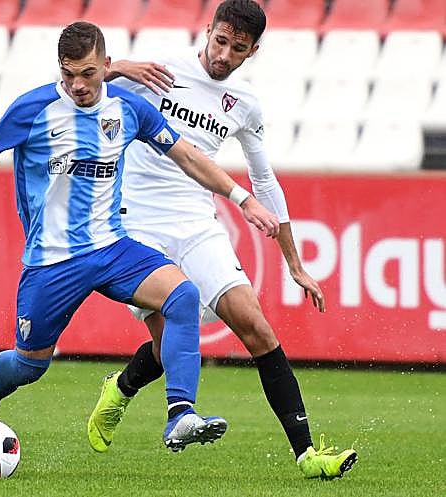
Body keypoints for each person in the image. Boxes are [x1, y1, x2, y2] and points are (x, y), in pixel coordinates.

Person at [0, 21, 280, 452]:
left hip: (111, 247)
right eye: (68, 74)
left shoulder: (128, 108)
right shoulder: (34, 108)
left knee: (182, 297)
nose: (78, 85)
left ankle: (180, 414)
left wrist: (241, 198)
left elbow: (188, 157)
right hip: (52, 261)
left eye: (87, 73)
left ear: (106, 66)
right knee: (29, 366)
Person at [86, 0, 358, 478]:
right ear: (207, 29)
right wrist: (119, 67)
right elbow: (79, 85)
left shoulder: (245, 103)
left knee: (257, 327)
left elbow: (265, 181)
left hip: (197, 221)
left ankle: (307, 455)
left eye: (238, 48)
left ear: (253, 51)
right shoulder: (158, 69)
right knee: (171, 341)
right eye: (220, 41)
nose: (224, 55)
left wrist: (294, 264)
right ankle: (126, 390)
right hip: (136, 221)